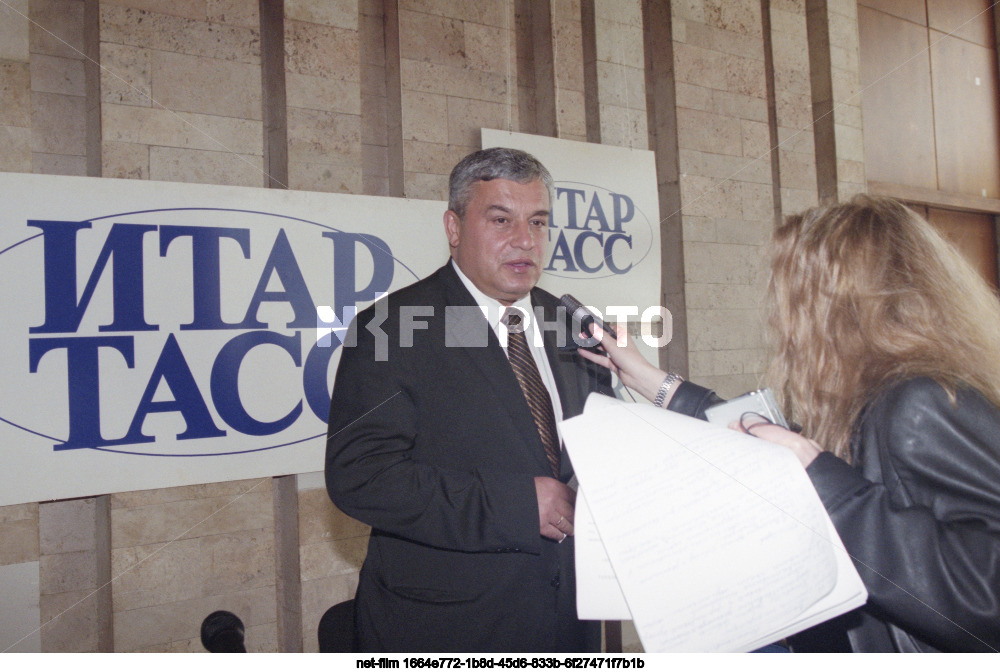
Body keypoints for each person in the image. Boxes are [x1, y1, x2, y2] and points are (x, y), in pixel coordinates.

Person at [325, 147, 715, 652]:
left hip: (569, 627)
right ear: (454, 227)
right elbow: (361, 477)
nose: (524, 241)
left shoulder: (572, 324)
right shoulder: (391, 329)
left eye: (537, 222)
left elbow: (593, 455)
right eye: (501, 220)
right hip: (448, 632)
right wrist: (514, 505)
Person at [579, 195, 1000, 652]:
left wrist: (820, 476)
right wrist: (650, 379)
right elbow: (762, 440)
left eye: (791, 293)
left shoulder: (921, 401)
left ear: (837, 302)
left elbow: (987, 593)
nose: (781, 318)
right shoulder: (874, 393)